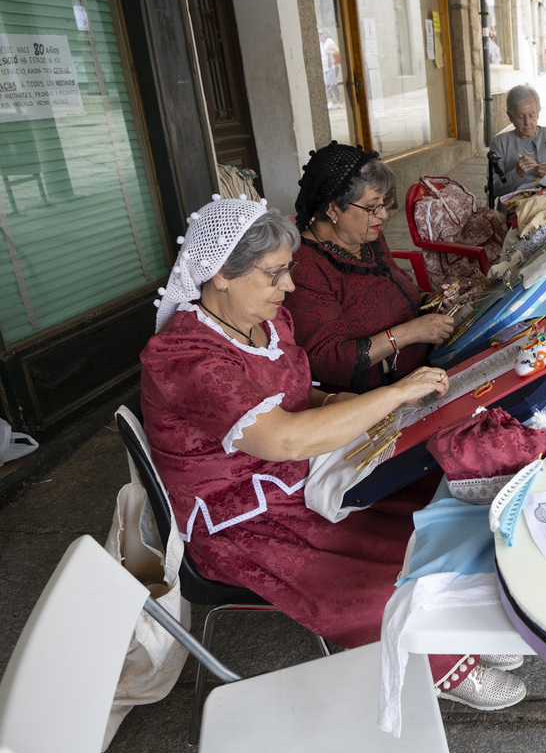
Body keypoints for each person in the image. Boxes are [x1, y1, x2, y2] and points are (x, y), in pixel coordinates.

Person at [141, 197, 525, 709]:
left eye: (288, 272)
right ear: (220, 275)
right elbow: (285, 437)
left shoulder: (266, 322)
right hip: (240, 518)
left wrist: (335, 401)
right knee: (368, 580)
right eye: (275, 274)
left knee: (425, 513)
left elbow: (295, 396)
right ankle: (440, 663)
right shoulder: (188, 357)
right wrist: (392, 394)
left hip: (298, 476)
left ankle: (449, 622)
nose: (290, 288)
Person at [285, 142, 454, 395]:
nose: (383, 215)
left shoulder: (366, 237)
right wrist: (409, 333)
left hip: (426, 367)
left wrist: (431, 301)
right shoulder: (306, 268)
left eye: (384, 202)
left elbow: (398, 288)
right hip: (375, 396)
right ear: (332, 208)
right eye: (372, 206)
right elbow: (328, 361)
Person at [489, 85, 546, 195]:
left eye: (532, 115)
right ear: (510, 117)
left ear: (538, 113)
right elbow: (494, 189)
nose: (527, 123)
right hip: (516, 206)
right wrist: (516, 174)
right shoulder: (500, 143)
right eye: (521, 117)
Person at [319, 28, 341, 107]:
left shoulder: (329, 41)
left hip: (332, 66)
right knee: (329, 84)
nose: (320, 35)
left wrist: (329, 51)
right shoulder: (320, 43)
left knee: (331, 84)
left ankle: (335, 101)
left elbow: (337, 51)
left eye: (321, 34)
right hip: (325, 67)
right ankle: (333, 101)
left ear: (325, 34)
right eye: (319, 34)